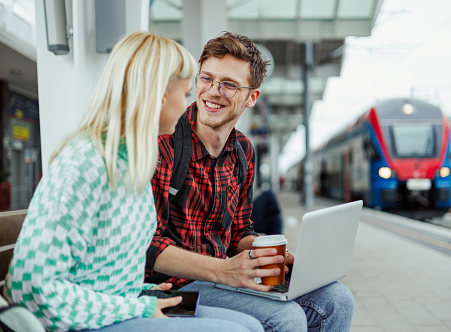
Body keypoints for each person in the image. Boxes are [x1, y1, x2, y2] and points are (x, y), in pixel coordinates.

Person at [3, 31, 262, 332]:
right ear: (161, 97)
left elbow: (105, 266)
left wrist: (141, 295)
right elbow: (32, 288)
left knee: (250, 328)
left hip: (125, 303)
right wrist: (137, 305)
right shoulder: (86, 162)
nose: (190, 105)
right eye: (186, 93)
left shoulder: (132, 161)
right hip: (94, 318)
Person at [147, 31, 355, 332]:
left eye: (229, 85)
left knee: (337, 300)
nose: (213, 91)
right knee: (286, 318)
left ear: (251, 97)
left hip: (224, 279)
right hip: (169, 291)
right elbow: (147, 246)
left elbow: (237, 234)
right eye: (206, 79)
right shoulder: (164, 144)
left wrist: (266, 252)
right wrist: (223, 270)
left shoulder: (243, 151)